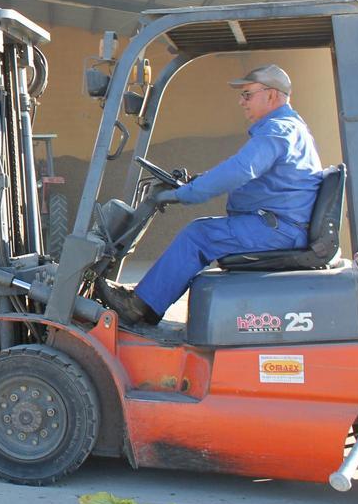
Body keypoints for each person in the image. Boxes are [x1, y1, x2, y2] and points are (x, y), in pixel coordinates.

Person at [96, 65, 323, 326]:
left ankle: (140, 307)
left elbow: (240, 169)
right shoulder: (286, 129)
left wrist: (186, 194)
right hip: (278, 225)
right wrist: (197, 181)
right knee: (202, 232)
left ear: (271, 95)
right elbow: (241, 168)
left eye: (247, 95)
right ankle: (146, 302)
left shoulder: (278, 130)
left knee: (198, 235)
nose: (241, 102)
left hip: (278, 230)